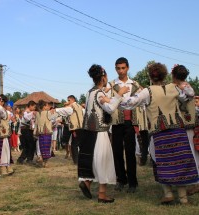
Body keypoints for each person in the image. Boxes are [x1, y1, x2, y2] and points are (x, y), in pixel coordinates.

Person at [120, 62, 199, 204]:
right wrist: (182, 84)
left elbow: (128, 103)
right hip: (177, 130)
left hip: (160, 132)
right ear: (164, 74)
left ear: (150, 76)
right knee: (179, 162)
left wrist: (117, 97)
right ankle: (183, 198)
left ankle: (168, 194)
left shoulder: (147, 91)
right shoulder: (173, 87)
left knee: (162, 162)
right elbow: (190, 95)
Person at [77, 64, 129, 203]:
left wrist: (106, 94)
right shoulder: (99, 94)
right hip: (99, 133)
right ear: (103, 77)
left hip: (88, 132)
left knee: (92, 159)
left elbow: (101, 101)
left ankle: (87, 182)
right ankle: (102, 194)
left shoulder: (90, 92)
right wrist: (120, 93)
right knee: (103, 161)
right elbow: (111, 108)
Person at [106, 57, 141, 193]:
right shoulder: (111, 84)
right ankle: (121, 179)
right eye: (118, 68)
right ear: (115, 69)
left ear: (128, 68)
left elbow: (141, 100)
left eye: (123, 68)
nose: (121, 71)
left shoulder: (136, 84)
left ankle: (132, 182)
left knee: (130, 152)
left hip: (131, 122)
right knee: (117, 152)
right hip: (116, 122)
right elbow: (108, 101)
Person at [171, 64, 199, 195]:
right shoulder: (183, 87)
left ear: (174, 76)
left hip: (186, 125)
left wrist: (179, 89)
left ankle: (195, 182)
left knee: (191, 153)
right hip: (185, 125)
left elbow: (185, 96)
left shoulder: (185, 88)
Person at [54, 95, 84, 165]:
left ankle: (76, 161)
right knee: (77, 144)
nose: (68, 102)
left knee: (74, 145)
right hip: (81, 127)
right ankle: (78, 159)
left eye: (69, 100)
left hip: (76, 128)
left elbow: (64, 110)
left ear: (72, 100)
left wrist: (55, 110)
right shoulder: (80, 107)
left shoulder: (72, 107)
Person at [34, 100, 58, 168]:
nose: (48, 107)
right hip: (47, 133)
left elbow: (36, 124)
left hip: (41, 133)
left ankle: (41, 160)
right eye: (47, 105)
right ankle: (45, 163)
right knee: (47, 148)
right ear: (44, 106)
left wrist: (35, 132)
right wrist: (55, 112)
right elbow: (54, 117)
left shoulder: (37, 113)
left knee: (42, 148)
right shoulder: (47, 113)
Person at [0, 94, 13, 176]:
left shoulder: (2, 111)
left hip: (2, 135)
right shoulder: (1, 111)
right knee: (4, 150)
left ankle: (4, 169)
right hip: (1, 134)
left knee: (3, 151)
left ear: (2, 102)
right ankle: (7, 168)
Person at [17, 101, 36, 165]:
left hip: (28, 130)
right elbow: (27, 118)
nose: (34, 108)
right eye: (33, 106)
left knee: (29, 145)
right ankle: (27, 159)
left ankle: (23, 159)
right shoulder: (26, 112)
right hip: (25, 130)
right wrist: (32, 113)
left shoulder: (29, 112)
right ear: (30, 105)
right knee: (29, 145)